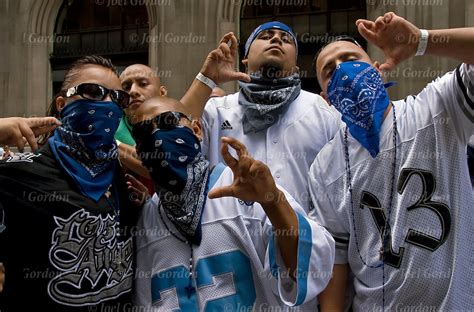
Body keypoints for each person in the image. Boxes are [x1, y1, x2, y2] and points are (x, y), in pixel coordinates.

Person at [309, 12, 474, 310]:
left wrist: (421, 41)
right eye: (329, 71)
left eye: (350, 58)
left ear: (377, 69)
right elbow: (337, 260)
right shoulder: (324, 168)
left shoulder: (437, 109)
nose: (342, 70)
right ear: (326, 97)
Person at [130, 96, 335, 310]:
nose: (156, 135)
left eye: (168, 122)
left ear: (197, 130)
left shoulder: (245, 188)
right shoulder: (148, 217)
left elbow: (307, 269)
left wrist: (273, 202)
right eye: (143, 132)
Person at [0, 55, 139, 311]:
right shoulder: (20, 172)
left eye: (118, 98)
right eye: (93, 92)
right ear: (62, 104)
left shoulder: (125, 175)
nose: (108, 103)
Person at [200, 22, 340, 212]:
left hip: (304, 237)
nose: (276, 39)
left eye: (286, 40)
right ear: (245, 59)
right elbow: (175, 145)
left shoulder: (321, 111)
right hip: (228, 237)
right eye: (266, 36)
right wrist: (206, 79)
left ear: (296, 67)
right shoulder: (216, 110)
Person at [117, 32, 249, 180]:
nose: (133, 91)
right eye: (126, 87)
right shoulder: (106, 137)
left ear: (196, 130)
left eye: (143, 84)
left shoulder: (221, 183)